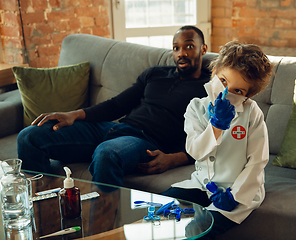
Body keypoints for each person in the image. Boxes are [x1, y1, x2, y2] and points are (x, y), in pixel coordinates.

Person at [17, 25, 209, 188]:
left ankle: (103, 229)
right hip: (111, 128)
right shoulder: (155, 74)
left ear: (203, 49)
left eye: (189, 47)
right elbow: (117, 105)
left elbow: (211, 136)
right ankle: (43, 211)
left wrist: (175, 158)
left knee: (107, 153)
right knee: (29, 136)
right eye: (176, 48)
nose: (181, 53)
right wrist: (74, 115)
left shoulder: (210, 88)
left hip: (144, 142)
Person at [161, 40, 273, 239]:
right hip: (202, 184)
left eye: (238, 91)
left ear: (249, 96)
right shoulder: (195, 107)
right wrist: (216, 126)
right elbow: (195, 151)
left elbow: (257, 161)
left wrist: (235, 195)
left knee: (198, 231)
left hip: (237, 190)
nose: (226, 93)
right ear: (214, 72)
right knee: (160, 211)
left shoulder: (252, 113)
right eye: (223, 81)